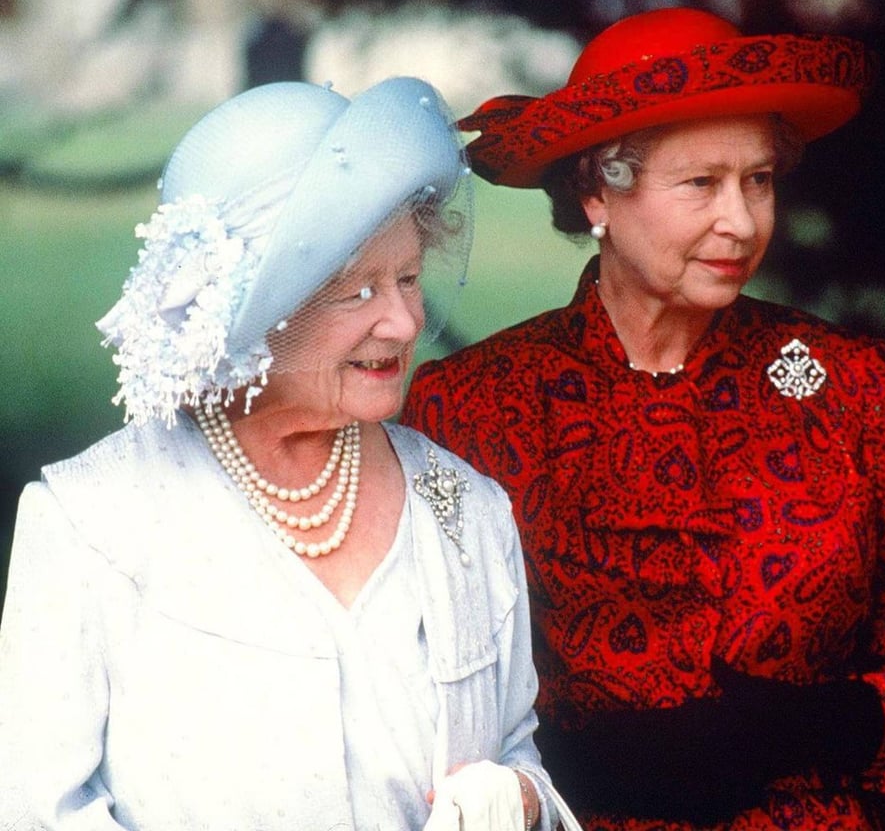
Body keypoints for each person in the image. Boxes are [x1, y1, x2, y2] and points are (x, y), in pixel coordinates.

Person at [402, 8, 885, 830]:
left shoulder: (849, 392)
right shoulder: (472, 408)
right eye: (701, 184)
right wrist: (562, 767)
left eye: (758, 179)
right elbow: (412, 690)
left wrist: (819, 725)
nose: (743, 221)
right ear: (595, 193)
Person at [0, 77, 584, 831]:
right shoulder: (92, 523)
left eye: (407, 278)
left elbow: (514, 748)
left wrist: (521, 798)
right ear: (256, 315)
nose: (405, 321)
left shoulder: (464, 506)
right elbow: (33, 808)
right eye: (358, 292)